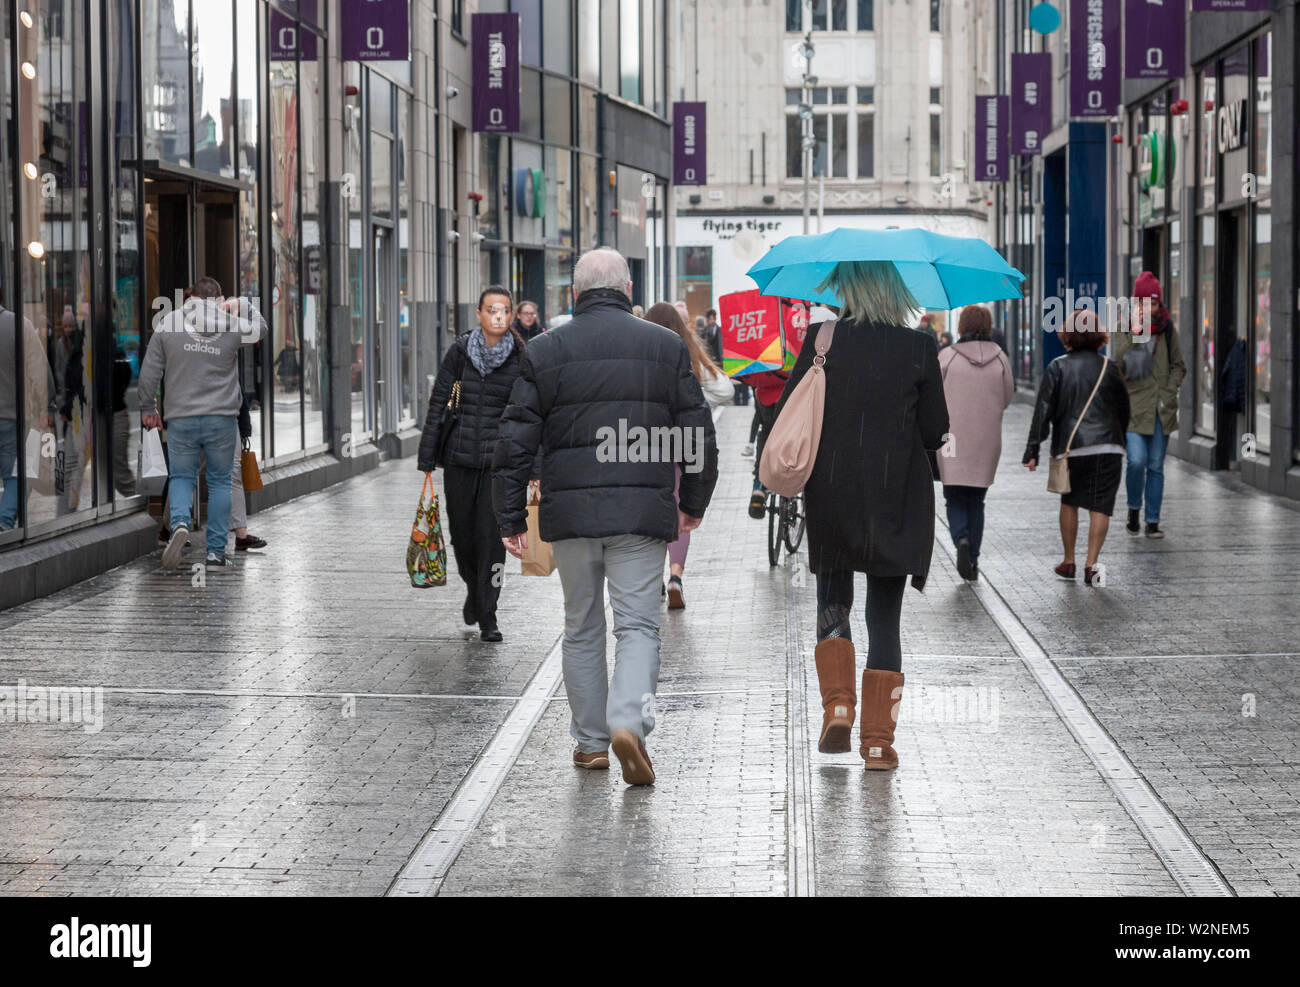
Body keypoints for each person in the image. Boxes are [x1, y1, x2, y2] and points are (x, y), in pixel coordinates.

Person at [493, 248, 718, 786]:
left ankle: (592, 742)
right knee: (639, 624)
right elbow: (697, 431)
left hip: (570, 511)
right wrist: (694, 503)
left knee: (581, 625)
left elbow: (515, 436)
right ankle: (628, 723)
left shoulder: (546, 350)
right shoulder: (664, 347)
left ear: (575, 292)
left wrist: (509, 518)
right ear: (628, 288)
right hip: (641, 511)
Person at [776, 261, 948, 771]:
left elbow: (791, 410)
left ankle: (839, 706)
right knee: (885, 617)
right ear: (895, 291)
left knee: (833, 598)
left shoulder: (821, 340)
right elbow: (936, 430)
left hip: (833, 490)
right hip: (896, 494)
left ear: (846, 288)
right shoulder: (918, 347)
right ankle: (877, 743)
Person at [419, 285, 528, 643]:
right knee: (463, 538)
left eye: (505, 309)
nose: (498, 315)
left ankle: (489, 613)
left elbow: (532, 414)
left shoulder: (521, 357)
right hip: (460, 460)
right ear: (479, 314)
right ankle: (473, 588)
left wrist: (535, 468)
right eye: (491, 309)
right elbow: (439, 401)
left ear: (510, 316)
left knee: (493, 542)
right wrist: (427, 454)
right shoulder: (460, 352)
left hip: (500, 466)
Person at [138, 277, 267, 571]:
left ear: (189, 297)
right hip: (221, 419)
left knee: (182, 477)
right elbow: (262, 328)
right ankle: (215, 553)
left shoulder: (169, 322)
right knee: (220, 482)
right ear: (219, 299)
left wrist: (148, 407)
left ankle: (181, 522)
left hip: (181, 418)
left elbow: (149, 372)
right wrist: (244, 304)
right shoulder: (230, 323)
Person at [1023, 309, 1130, 587]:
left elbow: (1043, 410)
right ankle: (1092, 565)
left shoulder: (1057, 367)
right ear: (1098, 335)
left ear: (1068, 334)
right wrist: (1121, 440)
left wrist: (1033, 449)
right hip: (1108, 446)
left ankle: (1068, 561)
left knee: (1069, 502)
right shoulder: (1111, 367)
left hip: (1071, 449)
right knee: (1101, 506)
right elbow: (1124, 408)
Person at [644, 301, 733, 610]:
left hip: (645, 447)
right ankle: (675, 577)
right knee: (680, 515)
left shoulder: (639, 352)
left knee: (650, 511)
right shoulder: (687, 355)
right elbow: (726, 390)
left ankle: (653, 577)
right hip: (682, 446)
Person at [937, 305, 1013, 581]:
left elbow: (932, 397)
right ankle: (973, 560)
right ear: (988, 326)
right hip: (986, 440)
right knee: (977, 500)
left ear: (962, 326)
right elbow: (1007, 397)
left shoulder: (946, 357)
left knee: (954, 495)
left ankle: (961, 539)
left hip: (952, 439)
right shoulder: (1000, 358)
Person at [1110, 272, 1186, 539]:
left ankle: (1152, 520)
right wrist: (1133, 334)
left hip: (1161, 409)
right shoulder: (1122, 327)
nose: (1149, 309)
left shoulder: (1168, 330)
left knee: (1155, 465)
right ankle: (1133, 508)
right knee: (1136, 461)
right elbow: (1118, 361)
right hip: (1133, 407)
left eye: (1153, 304)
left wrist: (1170, 388)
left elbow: (1179, 365)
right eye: (1143, 303)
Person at [0, 303, 56, 531]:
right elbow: (39, 371)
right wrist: (46, 407)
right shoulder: (19, 325)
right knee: (17, 473)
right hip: (11, 416)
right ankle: (4, 521)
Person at [745, 368, 789, 518]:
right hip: (789, 388)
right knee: (795, 431)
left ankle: (759, 486)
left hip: (763, 387)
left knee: (766, 431)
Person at [229, 393, 266, 551]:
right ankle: (171, 527)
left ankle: (241, 535)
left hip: (190, 421)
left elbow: (238, 392)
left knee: (184, 477)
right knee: (232, 478)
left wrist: (244, 428)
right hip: (222, 423)